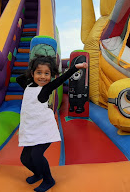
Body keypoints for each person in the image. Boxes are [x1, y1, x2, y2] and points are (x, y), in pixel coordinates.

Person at [16, 55, 88, 192]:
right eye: (39, 73)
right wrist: (31, 75)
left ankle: (49, 179)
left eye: (47, 73)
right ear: (32, 74)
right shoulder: (29, 85)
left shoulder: (46, 89)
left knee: (36, 156)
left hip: (44, 129)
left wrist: (75, 68)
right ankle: (38, 174)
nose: (43, 77)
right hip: (31, 129)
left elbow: (62, 79)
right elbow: (19, 78)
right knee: (25, 158)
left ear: (51, 75)